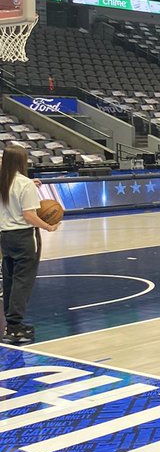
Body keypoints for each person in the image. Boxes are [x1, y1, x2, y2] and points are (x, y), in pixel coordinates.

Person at [0, 145, 59, 344]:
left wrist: (29, 184)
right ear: (21, 162)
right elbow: (29, 215)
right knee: (22, 281)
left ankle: (10, 322)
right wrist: (48, 227)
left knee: (9, 279)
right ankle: (15, 327)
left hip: (5, 236)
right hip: (24, 237)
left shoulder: (4, 182)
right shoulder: (25, 184)